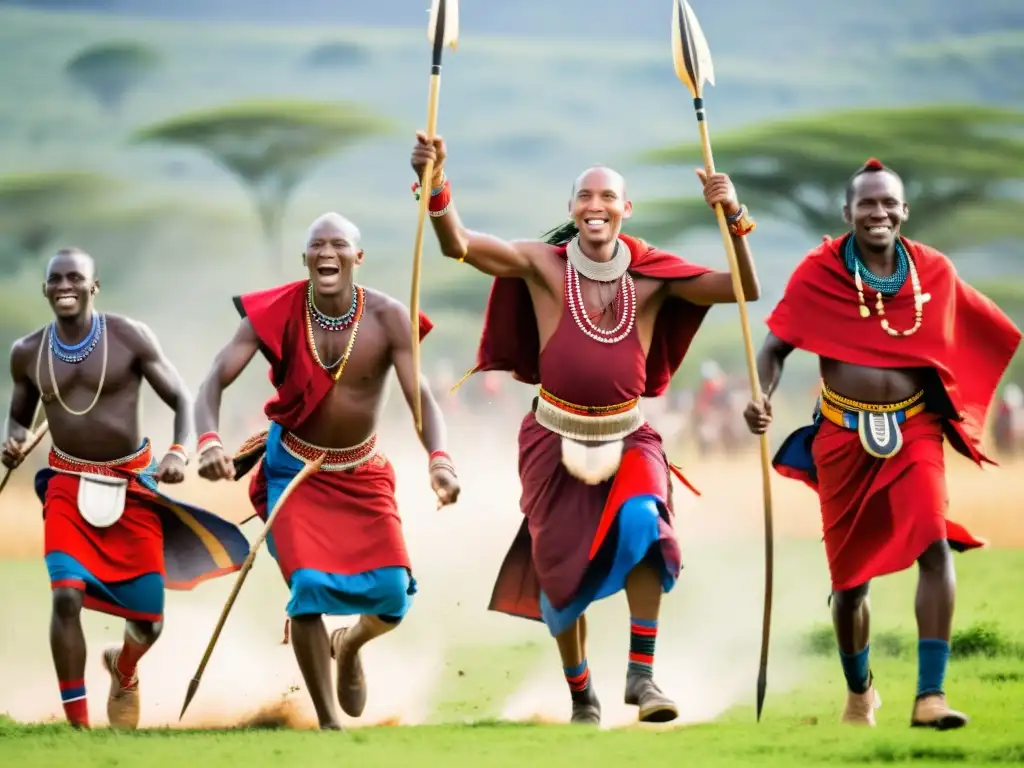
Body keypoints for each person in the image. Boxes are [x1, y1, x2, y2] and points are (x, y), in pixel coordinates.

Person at [410, 132, 760, 725]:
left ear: (627, 209)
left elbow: (744, 288)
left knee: (647, 523)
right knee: (560, 573)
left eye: (608, 197)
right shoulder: (543, 265)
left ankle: (642, 676)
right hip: (552, 437)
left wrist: (733, 214)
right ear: (571, 208)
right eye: (584, 197)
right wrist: (436, 183)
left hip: (630, 437)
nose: (595, 206)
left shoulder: (653, 276)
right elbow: (460, 246)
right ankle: (582, 697)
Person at [745, 159, 1022, 729]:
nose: (879, 213)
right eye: (866, 204)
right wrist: (762, 395)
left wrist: (956, 399)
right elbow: (773, 348)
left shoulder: (932, 273)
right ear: (847, 213)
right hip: (842, 438)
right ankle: (859, 692)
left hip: (914, 430)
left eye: (888, 202)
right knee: (849, 586)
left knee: (934, 544)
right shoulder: (820, 272)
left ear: (904, 210)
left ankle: (930, 696)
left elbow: (980, 330)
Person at [193, 212, 460, 730]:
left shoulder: (388, 318)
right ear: (305, 259)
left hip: (361, 471)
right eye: (317, 246)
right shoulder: (273, 313)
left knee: (390, 595)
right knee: (309, 588)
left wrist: (440, 461)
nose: (327, 254)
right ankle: (329, 723)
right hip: (292, 470)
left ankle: (352, 642)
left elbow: (419, 396)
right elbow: (213, 381)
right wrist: (207, 442)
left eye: (339, 245)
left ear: (358, 258)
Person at [1, 248, 250, 730]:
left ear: (95, 287)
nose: (65, 285)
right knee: (65, 596)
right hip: (66, 486)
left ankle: (125, 665)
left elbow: (180, 396)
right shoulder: (27, 352)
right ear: (46, 289)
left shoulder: (129, 337)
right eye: (56, 279)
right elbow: (17, 416)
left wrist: (179, 451)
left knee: (149, 622)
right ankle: (77, 726)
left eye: (77, 278)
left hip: (132, 483)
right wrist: (10, 440)